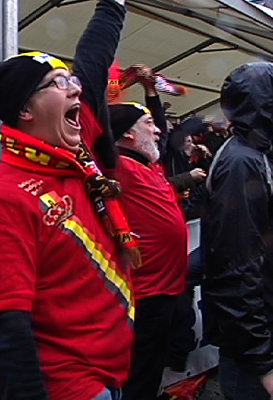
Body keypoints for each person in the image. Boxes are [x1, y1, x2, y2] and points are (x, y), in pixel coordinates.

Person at [0, 1, 134, 399]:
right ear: (26, 109)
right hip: (72, 388)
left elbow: (93, 63)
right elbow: (8, 331)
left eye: (69, 80)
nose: (75, 87)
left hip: (113, 370)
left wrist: (113, 6)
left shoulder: (77, 157)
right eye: (59, 83)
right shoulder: (0, 200)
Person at [202, 62, 273, 400]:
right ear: (268, 104)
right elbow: (233, 271)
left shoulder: (256, 156)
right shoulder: (241, 164)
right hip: (257, 350)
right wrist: (264, 363)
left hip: (268, 335)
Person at [108, 67, 189, 400]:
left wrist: (151, 91)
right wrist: (109, 82)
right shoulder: (116, 165)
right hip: (145, 293)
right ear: (127, 134)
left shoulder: (148, 163)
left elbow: (162, 137)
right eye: (148, 125)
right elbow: (97, 124)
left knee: (153, 365)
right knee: (140, 371)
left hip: (167, 289)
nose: (157, 131)